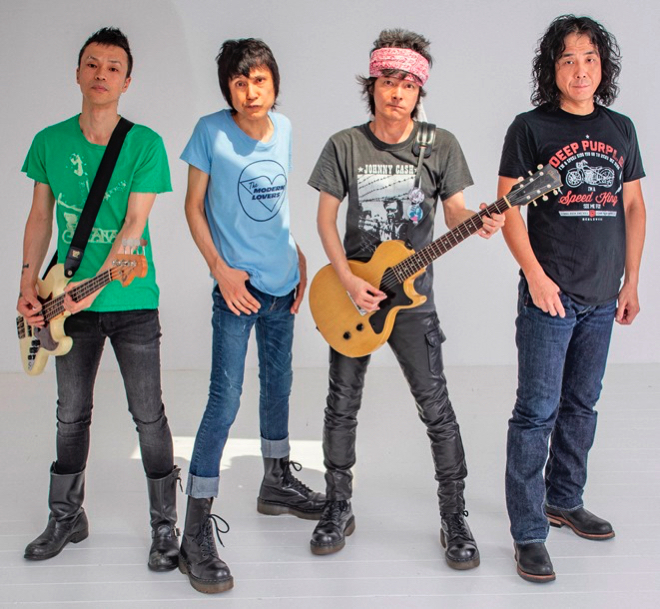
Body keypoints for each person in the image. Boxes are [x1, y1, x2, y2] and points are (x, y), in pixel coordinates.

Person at [308, 29, 504, 569]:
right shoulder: (345, 144)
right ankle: (337, 506)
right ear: (371, 85)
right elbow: (325, 220)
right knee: (341, 404)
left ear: (420, 91)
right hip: (355, 296)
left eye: (409, 84)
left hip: (412, 302)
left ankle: (454, 516)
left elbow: (456, 211)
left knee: (436, 407)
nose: (397, 93)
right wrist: (348, 281)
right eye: (388, 81)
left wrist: (478, 220)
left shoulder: (440, 145)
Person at [17, 28, 179, 572]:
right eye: (92, 64)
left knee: (148, 414)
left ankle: (164, 525)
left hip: (131, 297)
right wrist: (27, 284)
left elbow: (134, 225)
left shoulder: (145, 143)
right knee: (70, 414)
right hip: (61, 300)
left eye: (113, 67)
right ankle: (66, 516)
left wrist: (98, 287)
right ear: (78, 73)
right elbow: (40, 217)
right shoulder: (49, 141)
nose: (101, 74)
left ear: (127, 81)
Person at [498, 14, 646, 583]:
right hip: (550, 296)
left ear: (602, 66)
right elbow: (507, 209)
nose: (580, 69)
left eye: (589, 58)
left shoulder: (621, 127)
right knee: (536, 412)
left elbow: (633, 207)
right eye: (568, 59)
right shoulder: (530, 127)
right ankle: (528, 531)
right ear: (552, 69)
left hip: (604, 295)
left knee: (582, 405)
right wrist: (535, 278)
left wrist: (631, 281)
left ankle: (564, 499)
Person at [179, 38, 325, 594]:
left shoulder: (284, 129)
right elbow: (193, 207)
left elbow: (275, 207)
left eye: (259, 80)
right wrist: (220, 270)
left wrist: (299, 255)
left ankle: (276, 480)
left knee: (279, 385)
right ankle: (195, 525)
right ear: (228, 88)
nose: (250, 91)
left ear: (274, 83)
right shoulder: (210, 132)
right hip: (237, 289)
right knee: (225, 398)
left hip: (283, 284)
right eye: (239, 82)